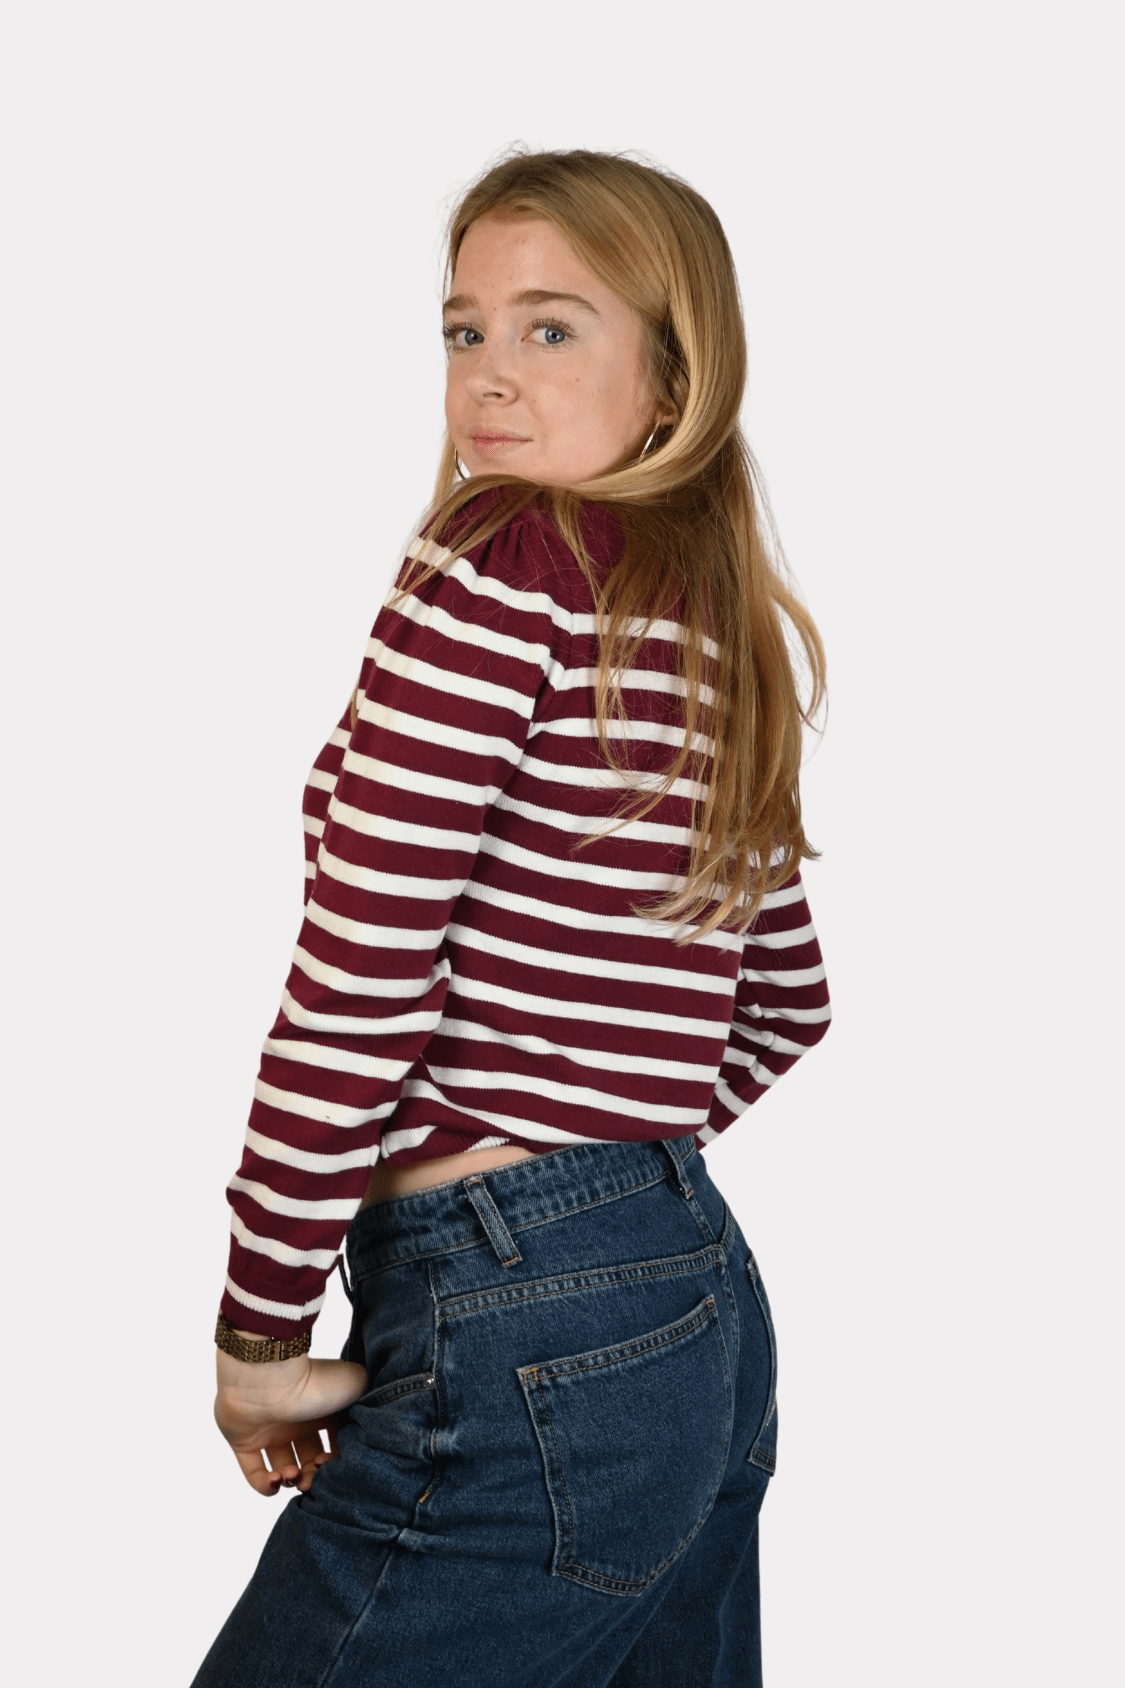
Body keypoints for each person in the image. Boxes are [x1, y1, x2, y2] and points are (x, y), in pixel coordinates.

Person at [193, 148, 830, 1688]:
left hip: (520, 1311)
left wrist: (262, 1330)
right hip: (695, 1304)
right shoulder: (714, 628)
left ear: (673, 375)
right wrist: (610, 1185)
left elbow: (365, 969)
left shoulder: (500, 564)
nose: (488, 371)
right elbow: (789, 1001)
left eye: (550, 328)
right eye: (463, 328)